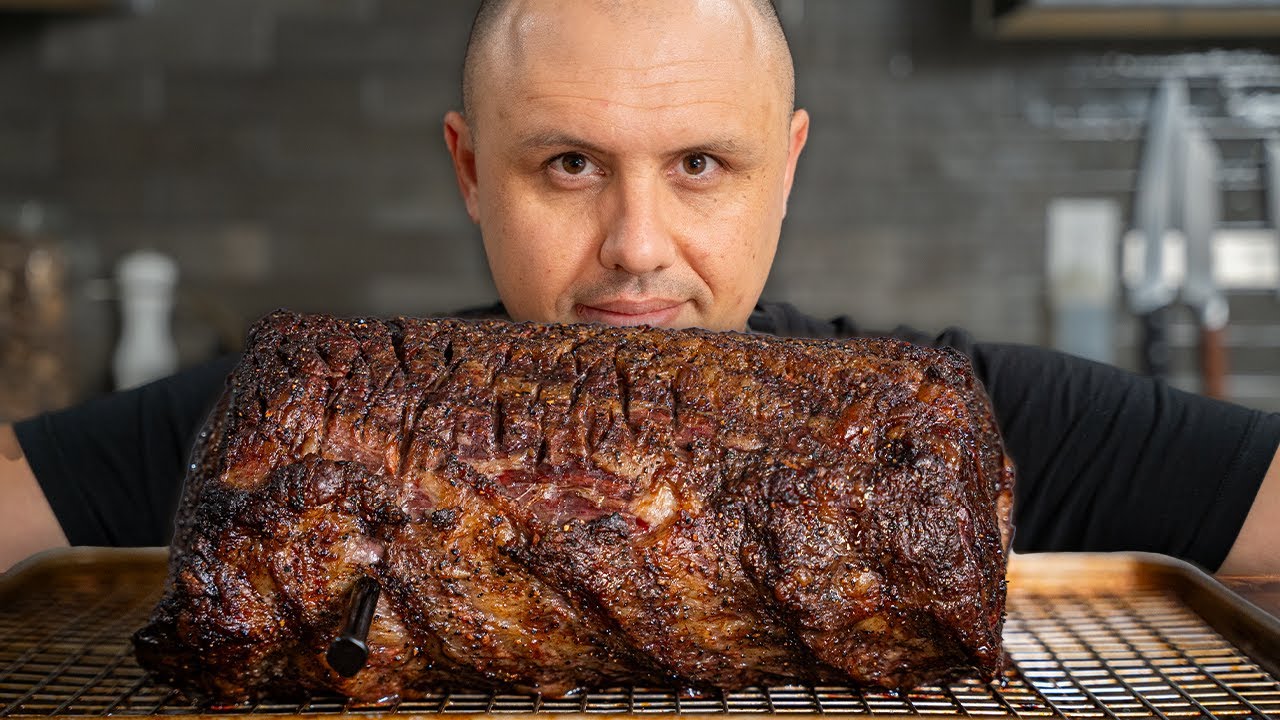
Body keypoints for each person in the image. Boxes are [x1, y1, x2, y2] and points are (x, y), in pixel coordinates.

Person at [1, 0, 1277, 576]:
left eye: (700, 165)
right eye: (567, 164)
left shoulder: (936, 426)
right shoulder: (303, 423)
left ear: (783, 173)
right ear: (469, 172)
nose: (633, 243)